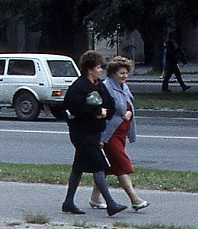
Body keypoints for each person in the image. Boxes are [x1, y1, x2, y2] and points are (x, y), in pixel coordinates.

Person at [62, 50, 127, 216]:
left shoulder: (100, 86)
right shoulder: (79, 87)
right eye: (99, 67)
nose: (101, 70)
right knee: (99, 166)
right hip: (81, 134)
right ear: (90, 69)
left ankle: (68, 202)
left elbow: (110, 104)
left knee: (78, 168)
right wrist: (97, 111)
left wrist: (104, 112)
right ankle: (111, 204)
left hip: (95, 132)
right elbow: (72, 108)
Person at [89, 56, 149, 212]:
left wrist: (129, 113)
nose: (125, 76)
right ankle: (135, 199)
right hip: (110, 133)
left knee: (109, 166)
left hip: (122, 132)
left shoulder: (124, 86)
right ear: (113, 73)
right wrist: (101, 137)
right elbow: (102, 110)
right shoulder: (106, 87)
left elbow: (129, 105)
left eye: (126, 73)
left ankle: (95, 198)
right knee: (121, 164)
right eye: (122, 73)